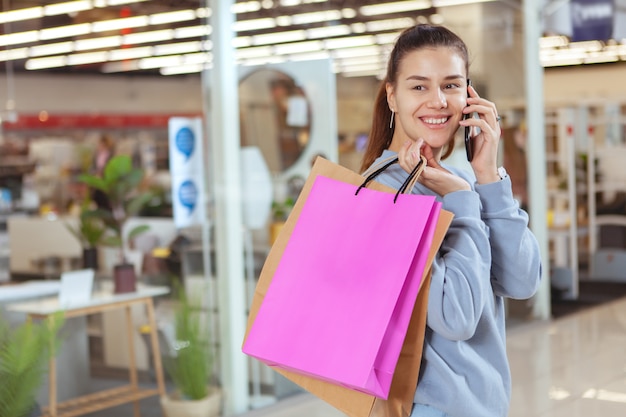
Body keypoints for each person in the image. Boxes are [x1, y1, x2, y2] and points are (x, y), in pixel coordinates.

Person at [360, 24, 542, 417]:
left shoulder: (450, 179)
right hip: (432, 407)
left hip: (479, 405)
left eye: (452, 85)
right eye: (419, 86)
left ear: (469, 95)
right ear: (392, 95)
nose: (439, 101)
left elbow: (523, 280)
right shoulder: (387, 195)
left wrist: (488, 177)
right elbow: (456, 317)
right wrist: (462, 201)